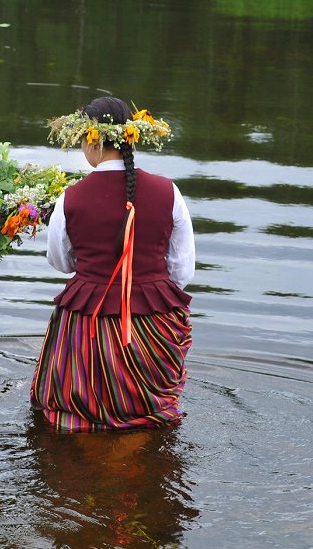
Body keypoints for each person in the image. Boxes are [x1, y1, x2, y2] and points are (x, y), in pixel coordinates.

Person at [31, 97, 195, 431]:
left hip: (86, 323)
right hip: (153, 324)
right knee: (148, 419)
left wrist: (93, 268)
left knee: (72, 410)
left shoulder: (71, 197)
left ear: (92, 139)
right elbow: (182, 272)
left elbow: (61, 262)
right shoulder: (170, 192)